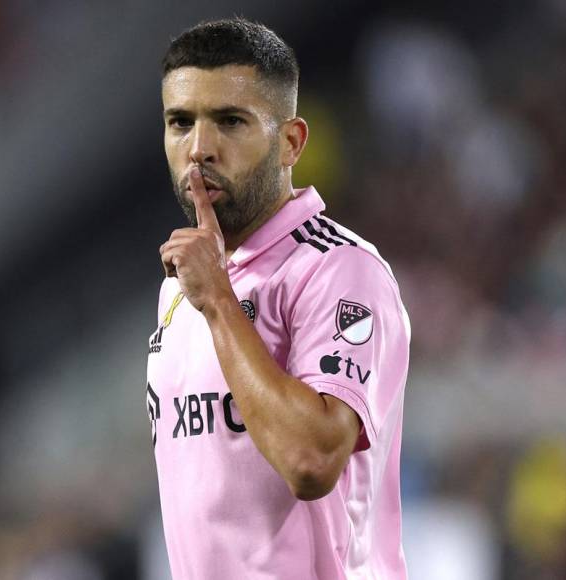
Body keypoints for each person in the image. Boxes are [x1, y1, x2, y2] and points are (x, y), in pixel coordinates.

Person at [146, 17, 411, 579]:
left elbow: (311, 461)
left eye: (230, 122)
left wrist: (218, 299)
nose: (199, 148)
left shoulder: (339, 271)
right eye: (180, 122)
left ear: (291, 142)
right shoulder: (184, 287)